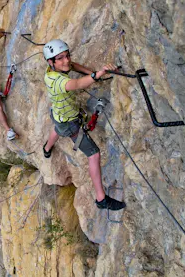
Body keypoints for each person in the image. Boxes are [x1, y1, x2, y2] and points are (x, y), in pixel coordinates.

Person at [43, 39, 126, 211]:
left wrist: (92, 73)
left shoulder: (53, 68)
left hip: (58, 115)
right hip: (69, 123)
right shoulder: (57, 81)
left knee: (57, 128)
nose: (66, 61)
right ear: (51, 62)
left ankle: (46, 148)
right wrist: (98, 74)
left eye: (67, 56)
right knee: (94, 155)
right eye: (61, 58)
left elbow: (73, 65)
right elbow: (77, 84)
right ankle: (101, 198)